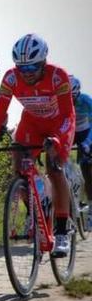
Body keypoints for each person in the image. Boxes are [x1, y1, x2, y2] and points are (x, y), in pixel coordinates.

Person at [0, 34, 75, 257]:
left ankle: (61, 230)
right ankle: (35, 211)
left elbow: (68, 114)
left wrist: (58, 141)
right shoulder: (11, 78)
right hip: (31, 123)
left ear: (43, 62)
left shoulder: (57, 77)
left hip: (59, 124)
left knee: (55, 168)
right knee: (19, 167)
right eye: (22, 68)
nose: (27, 72)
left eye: (32, 66)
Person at [69, 75, 92, 214]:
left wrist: (88, 143)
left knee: (87, 170)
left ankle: (90, 207)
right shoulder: (59, 101)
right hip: (71, 133)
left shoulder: (85, 100)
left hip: (86, 133)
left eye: (72, 97)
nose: (69, 101)